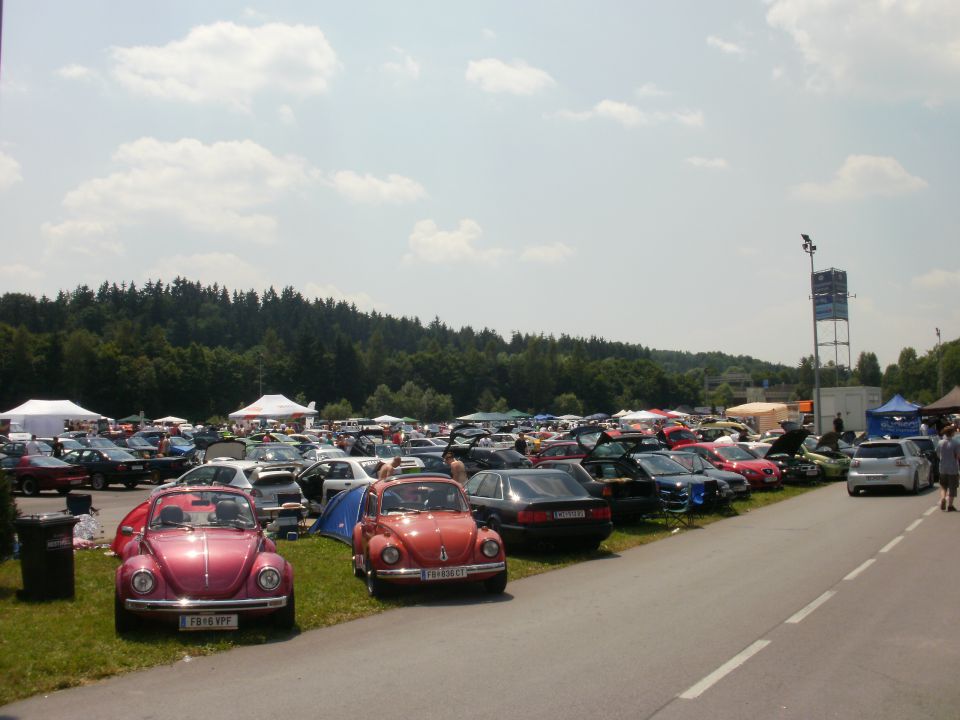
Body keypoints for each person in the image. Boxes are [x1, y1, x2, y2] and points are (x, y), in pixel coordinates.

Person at [936, 425, 960, 511]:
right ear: (952, 433)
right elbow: (958, 456)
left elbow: (938, 454)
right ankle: (950, 505)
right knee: (952, 488)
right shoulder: (956, 443)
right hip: (953, 469)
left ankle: (943, 498)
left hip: (942, 468)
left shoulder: (940, 442)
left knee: (943, 486)